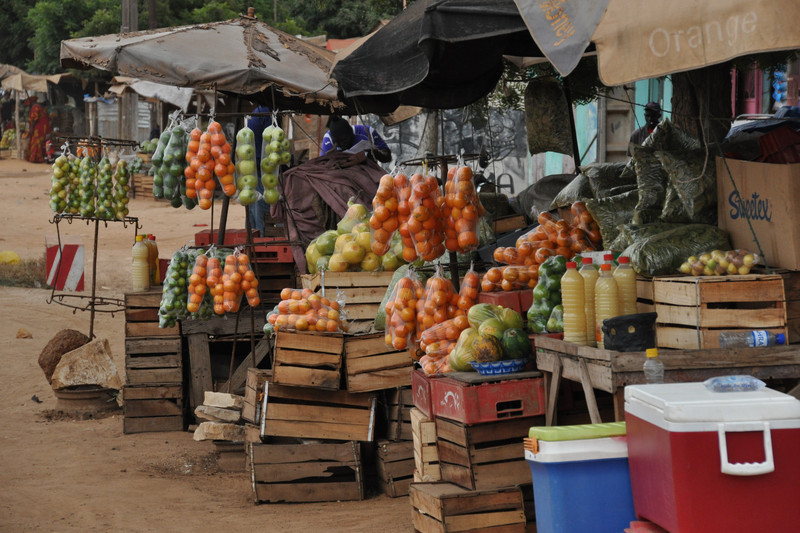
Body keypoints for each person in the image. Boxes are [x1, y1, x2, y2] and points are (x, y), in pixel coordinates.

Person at [320, 116, 392, 163]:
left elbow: (387, 157)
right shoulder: (328, 139)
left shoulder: (367, 132)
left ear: (351, 133)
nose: (341, 145)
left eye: (344, 141)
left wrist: (374, 153)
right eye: (337, 143)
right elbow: (322, 164)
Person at [246, 105, 272, 236]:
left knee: (253, 200)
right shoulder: (267, 113)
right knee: (260, 201)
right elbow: (271, 142)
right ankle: (261, 236)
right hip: (261, 163)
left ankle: (252, 234)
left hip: (250, 162)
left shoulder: (257, 111)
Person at [26, 97, 51, 163]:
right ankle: (41, 157)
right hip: (44, 126)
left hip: (39, 127)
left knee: (36, 141)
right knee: (41, 141)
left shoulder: (35, 107)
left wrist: (31, 128)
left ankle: (35, 158)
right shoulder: (40, 107)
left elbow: (34, 119)